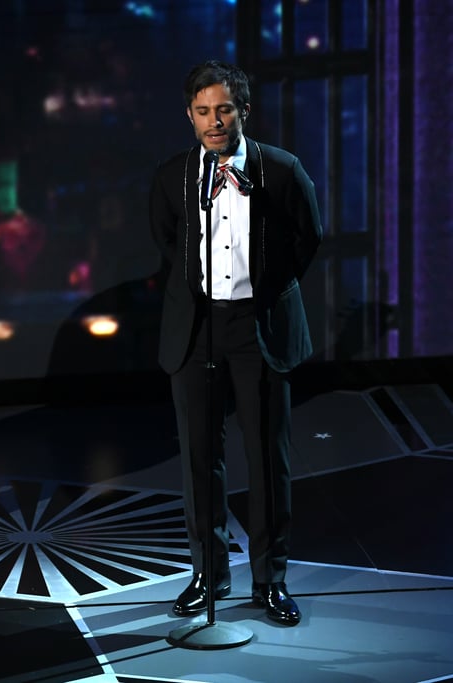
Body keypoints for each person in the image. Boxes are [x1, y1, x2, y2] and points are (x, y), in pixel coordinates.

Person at [149, 60, 322, 626]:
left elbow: (307, 238)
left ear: (243, 110)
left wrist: (265, 288)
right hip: (197, 328)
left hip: (258, 326)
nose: (214, 121)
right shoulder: (174, 176)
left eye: (223, 109)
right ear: (190, 117)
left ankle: (270, 580)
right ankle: (208, 575)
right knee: (200, 459)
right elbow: (167, 242)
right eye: (202, 111)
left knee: (268, 460)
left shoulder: (282, 169)